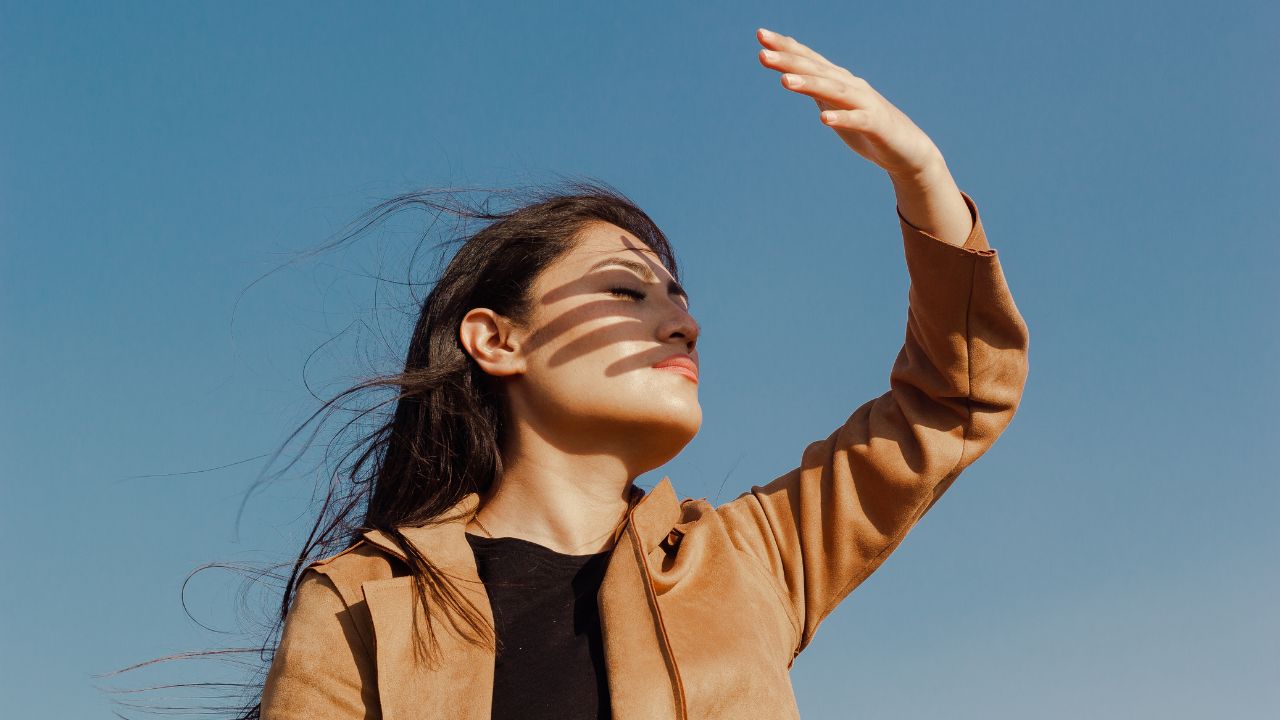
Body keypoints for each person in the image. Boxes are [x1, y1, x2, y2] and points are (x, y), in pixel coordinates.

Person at [258, 27, 1030, 720]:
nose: (683, 323)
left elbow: (954, 398)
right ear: (496, 340)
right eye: (624, 291)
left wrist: (923, 179)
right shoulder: (362, 598)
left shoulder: (750, 561)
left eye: (679, 300)